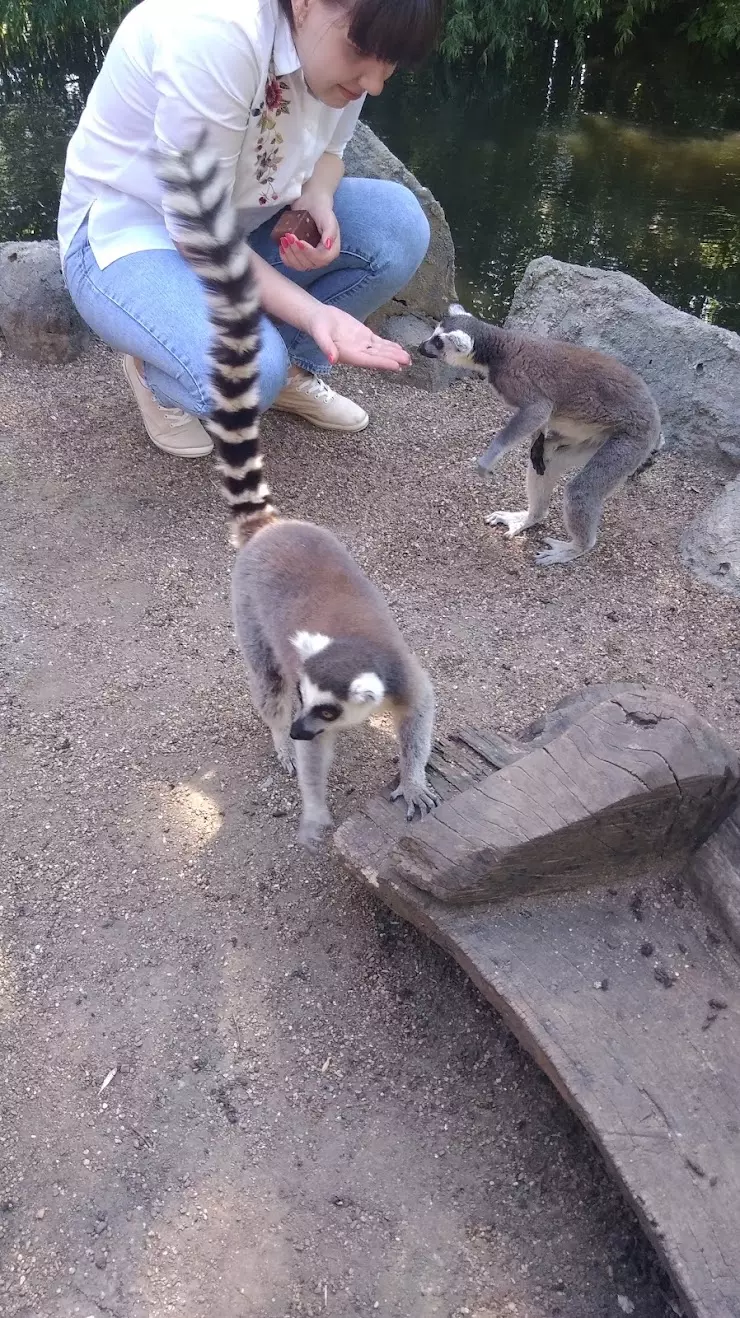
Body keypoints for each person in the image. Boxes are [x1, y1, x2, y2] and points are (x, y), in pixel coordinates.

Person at [57, 0, 442, 457]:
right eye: (360, 51)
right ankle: (154, 371)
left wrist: (317, 198)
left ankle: (291, 371)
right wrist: (314, 313)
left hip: (238, 224)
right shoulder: (217, 34)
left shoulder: (335, 50)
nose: (374, 85)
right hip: (128, 234)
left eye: (390, 63)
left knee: (396, 223)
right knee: (250, 372)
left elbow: (330, 154)